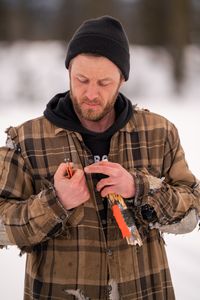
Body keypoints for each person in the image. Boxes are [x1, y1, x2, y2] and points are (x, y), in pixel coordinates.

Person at [0, 15, 199, 300]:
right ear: (68, 71)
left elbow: (192, 213)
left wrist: (138, 188)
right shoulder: (26, 140)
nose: (91, 93)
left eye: (104, 82)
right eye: (81, 79)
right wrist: (55, 202)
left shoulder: (160, 132)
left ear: (122, 78)